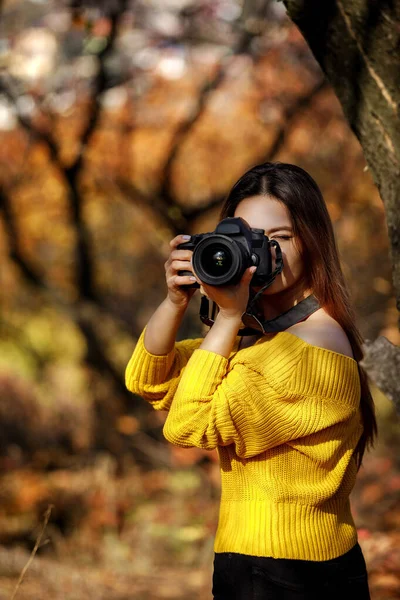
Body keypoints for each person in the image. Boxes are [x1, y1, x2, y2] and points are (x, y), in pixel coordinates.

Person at [125, 162, 376, 599]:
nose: (263, 254)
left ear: (312, 240)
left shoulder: (310, 346)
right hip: (279, 566)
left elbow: (187, 425)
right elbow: (149, 378)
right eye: (249, 239)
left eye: (277, 238)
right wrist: (174, 300)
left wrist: (226, 317)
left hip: (284, 572)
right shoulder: (263, 338)